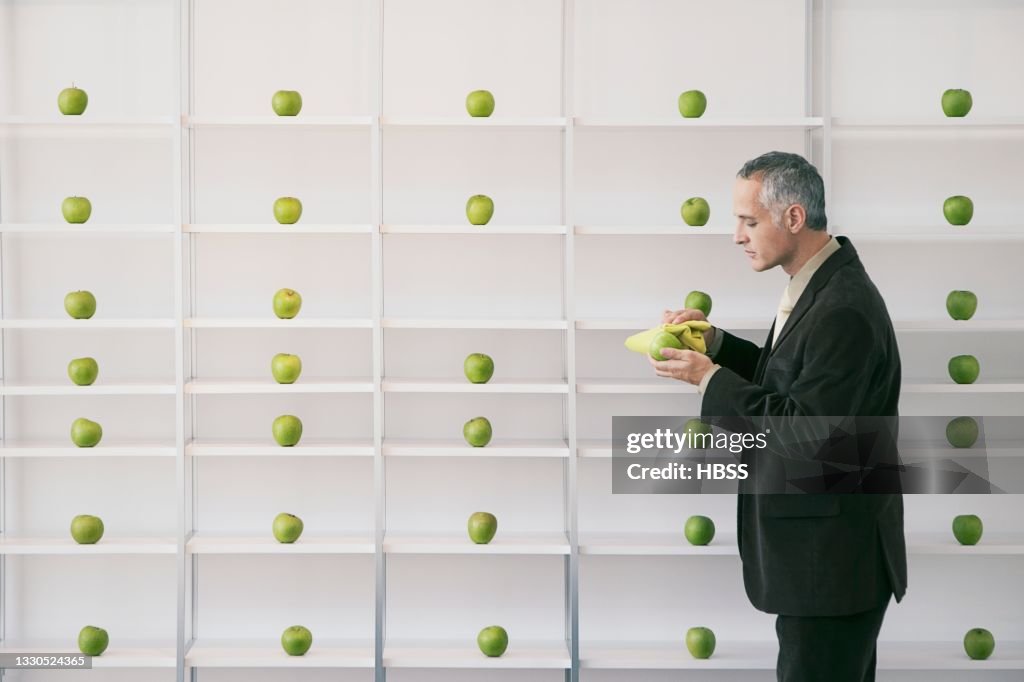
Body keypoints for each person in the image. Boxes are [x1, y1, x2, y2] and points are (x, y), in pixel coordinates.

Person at [649, 151, 908, 681]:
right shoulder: (821, 284)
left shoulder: (842, 309)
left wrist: (708, 379)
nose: (737, 236)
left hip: (832, 564)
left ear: (793, 218)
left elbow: (803, 431)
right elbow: (790, 379)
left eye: (749, 221)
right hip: (826, 559)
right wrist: (716, 344)